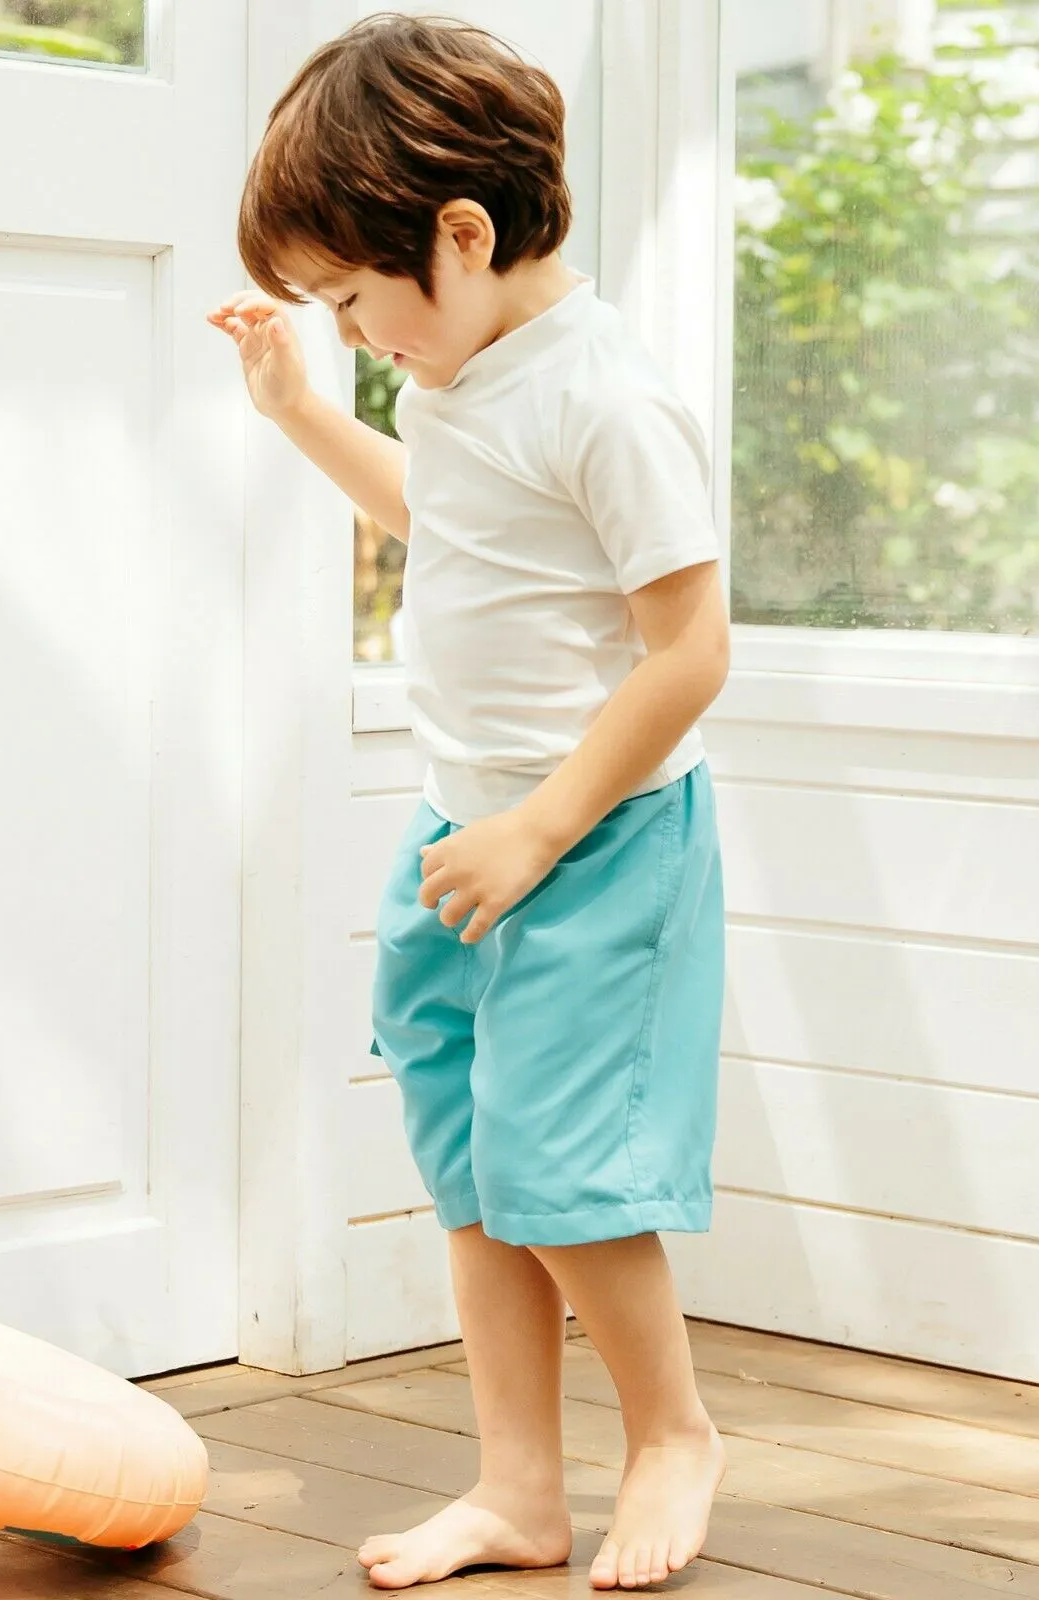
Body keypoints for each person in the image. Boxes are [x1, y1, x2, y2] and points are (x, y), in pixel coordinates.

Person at [209, 14, 729, 1593]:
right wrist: (308, 415)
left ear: (463, 232)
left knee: (560, 1164)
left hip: (593, 837)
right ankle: (518, 1487)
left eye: (356, 299)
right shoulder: (466, 371)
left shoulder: (605, 400)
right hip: (465, 839)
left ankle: (673, 1433)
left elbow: (690, 652)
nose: (359, 332)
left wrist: (543, 828)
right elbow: (443, 522)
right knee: (476, 1164)